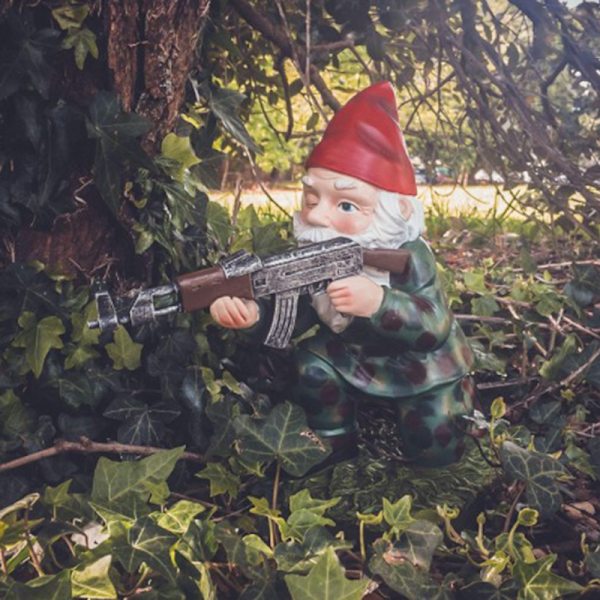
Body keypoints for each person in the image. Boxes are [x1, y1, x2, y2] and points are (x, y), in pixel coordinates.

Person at [209, 82, 475, 467]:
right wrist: (252, 317)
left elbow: (433, 325)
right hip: (352, 357)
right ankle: (332, 442)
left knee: (435, 440)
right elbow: (297, 314)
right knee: (311, 365)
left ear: (395, 210)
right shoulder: (314, 252)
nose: (317, 216)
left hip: (423, 368)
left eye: (346, 205)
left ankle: (437, 454)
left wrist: (379, 302)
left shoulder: (407, 257)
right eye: (311, 199)